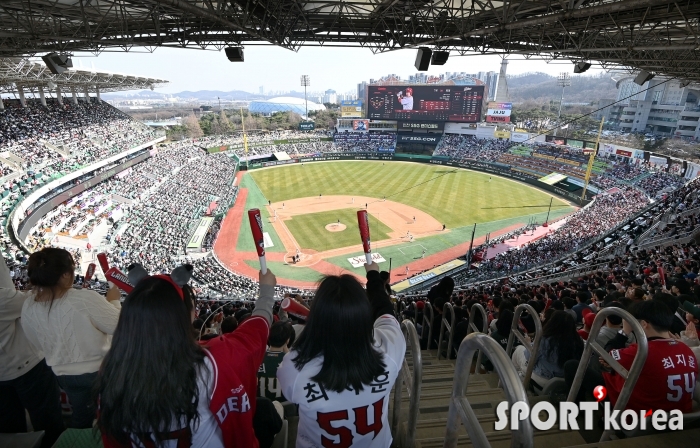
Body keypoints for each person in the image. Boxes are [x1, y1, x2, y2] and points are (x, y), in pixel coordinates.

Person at [97, 265, 280, 448]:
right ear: (186, 316)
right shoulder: (214, 360)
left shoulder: (112, 371)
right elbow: (255, 332)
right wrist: (266, 292)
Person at [277, 263, 405, 448]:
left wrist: (315, 328)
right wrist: (373, 277)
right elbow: (384, 308)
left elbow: (297, 359)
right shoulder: (390, 349)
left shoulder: (295, 370)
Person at [21, 248, 121, 429]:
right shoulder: (83, 299)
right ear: (66, 275)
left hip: (62, 375)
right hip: (98, 372)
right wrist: (113, 301)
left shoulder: (28, 304)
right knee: (109, 415)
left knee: (82, 416)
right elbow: (118, 326)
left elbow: (35, 341)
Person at [0, 256, 64, 447]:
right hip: (28, 367)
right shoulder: (4, 300)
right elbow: (39, 297)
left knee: (10, 428)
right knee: (48, 419)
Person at [601, 300, 698, 413]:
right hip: (681, 416)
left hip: (644, 419)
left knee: (600, 370)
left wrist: (624, 331)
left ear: (643, 324)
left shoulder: (640, 352)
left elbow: (606, 355)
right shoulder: (686, 348)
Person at [512, 311, 584, 388]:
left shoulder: (545, 339)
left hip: (543, 379)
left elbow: (529, 358)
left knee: (519, 349)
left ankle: (515, 382)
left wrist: (528, 343)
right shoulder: (579, 341)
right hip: (567, 380)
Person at [258, 321, 295, 402]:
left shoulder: (256, 358)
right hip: (285, 409)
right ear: (287, 340)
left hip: (258, 408)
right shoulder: (291, 362)